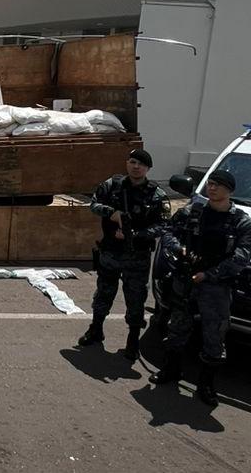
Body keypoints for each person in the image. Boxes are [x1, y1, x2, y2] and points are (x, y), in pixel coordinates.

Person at [149, 170, 251, 408]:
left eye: (218, 185)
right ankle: (171, 370)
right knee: (176, 328)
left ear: (230, 190)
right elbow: (167, 232)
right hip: (186, 281)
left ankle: (206, 385)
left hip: (215, 288)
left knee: (214, 336)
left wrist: (209, 275)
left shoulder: (242, 222)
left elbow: (242, 257)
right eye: (210, 183)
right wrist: (180, 250)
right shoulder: (193, 213)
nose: (212, 188)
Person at [78, 149, 171, 361]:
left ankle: (132, 339)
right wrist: (112, 213)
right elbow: (93, 204)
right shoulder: (112, 185)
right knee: (103, 292)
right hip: (111, 251)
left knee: (136, 298)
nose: (135, 166)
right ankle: (96, 328)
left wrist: (136, 235)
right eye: (132, 162)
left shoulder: (157, 195)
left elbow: (165, 225)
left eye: (141, 164)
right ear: (127, 163)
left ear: (148, 169)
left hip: (136, 256)